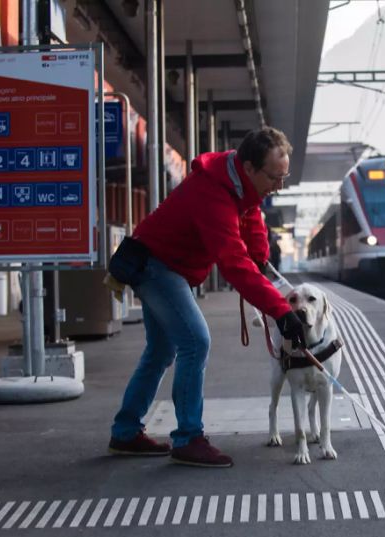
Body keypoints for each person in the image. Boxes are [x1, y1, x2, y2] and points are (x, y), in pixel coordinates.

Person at [107, 127, 306, 468]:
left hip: (170, 267)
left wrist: (259, 256)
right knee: (195, 342)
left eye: (283, 176)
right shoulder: (212, 192)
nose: (280, 186)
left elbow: (252, 216)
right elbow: (232, 262)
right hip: (156, 266)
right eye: (275, 177)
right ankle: (188, 438)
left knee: (160, 351)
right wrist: (280, 311)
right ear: (248, 168)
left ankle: (125, 432)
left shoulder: (240, 182)